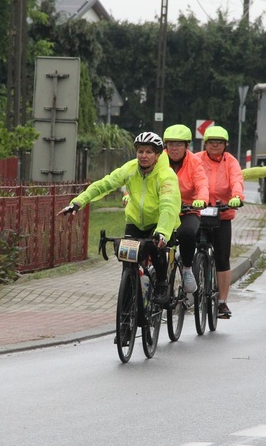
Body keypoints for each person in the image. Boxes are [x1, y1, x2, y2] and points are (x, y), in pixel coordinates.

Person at [60, 131, 182, 301]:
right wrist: (78, 202)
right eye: (140, 151)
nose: (143, 156)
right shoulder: (130, 169)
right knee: (128, 262)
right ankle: (130, 296)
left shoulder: (167, 176)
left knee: (156, 249)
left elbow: (169, 206)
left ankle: (161, 283)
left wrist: (162, 231)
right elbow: (104, 184)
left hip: (159, 224)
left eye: (149, 152)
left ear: (158, 154)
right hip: (134, 222)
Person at [194, 125, 244, 319]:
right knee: (190, 249)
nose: (215, 145)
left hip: (221, 214)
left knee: (223, 257)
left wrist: (237, 196)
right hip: (198, 212)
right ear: (205, 144)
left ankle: (222, 302)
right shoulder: (196, 159)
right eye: (211, 142)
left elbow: (237, 181)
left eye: (219, 142)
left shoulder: (231, 162)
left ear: (225, 145)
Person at [162, 124, 209, 293]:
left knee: (187, 233)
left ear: (187, 146)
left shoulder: (194, 162)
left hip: (188, 210)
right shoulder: (159, 159)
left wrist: (201, 199)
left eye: (179, 144)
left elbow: (202, 183)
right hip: (164, 210)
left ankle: (188, 269)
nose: (174, 148)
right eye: (170, 144)